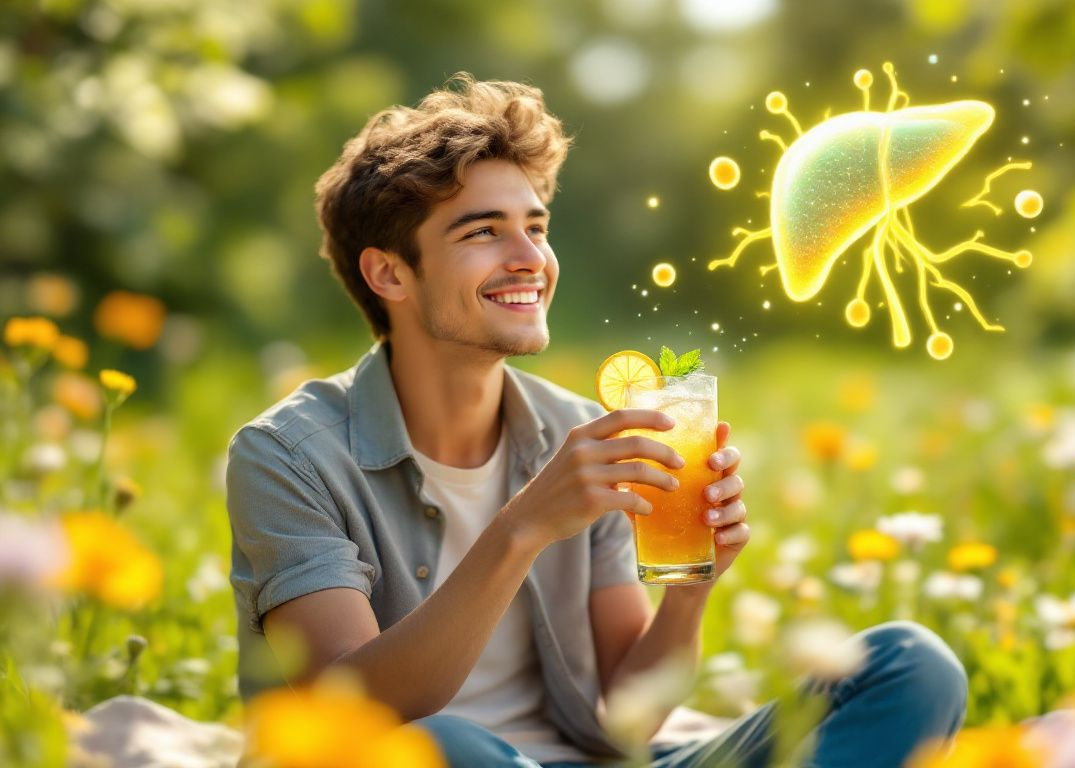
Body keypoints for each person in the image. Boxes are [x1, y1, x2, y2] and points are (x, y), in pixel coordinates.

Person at [226, 73, 967, 767]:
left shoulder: (583, 433)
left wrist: (689, 589)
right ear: (389, 273)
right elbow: (349, 712)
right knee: (438, 746)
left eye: (536, 227)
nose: (531, 259)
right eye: (484, 232)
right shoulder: (287, 456)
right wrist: (523, 528)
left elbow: (626, 716)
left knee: (911, 664)